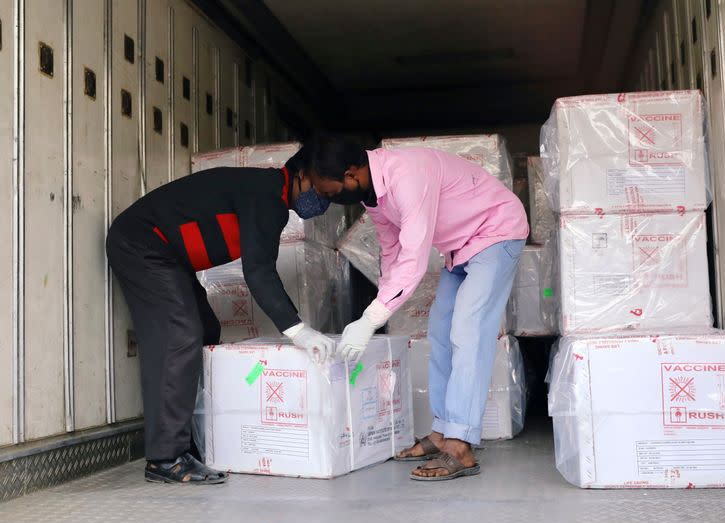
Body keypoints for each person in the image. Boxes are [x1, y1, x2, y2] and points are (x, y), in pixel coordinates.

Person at [303, 135, 529, 481]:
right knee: (440, 330)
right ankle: (443, 431)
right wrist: (377, 310)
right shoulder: (373, 197)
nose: (330, 199)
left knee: (469, 331)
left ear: (351, 174)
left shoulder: (406, 175)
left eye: (331, 192)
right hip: (461, 246)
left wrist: (371, 318)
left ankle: (461, 444)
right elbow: (392, 253)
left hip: (496, 231)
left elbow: (413, 260)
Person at [106, 148, 335, 484]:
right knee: (181, 334)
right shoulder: (266, 195)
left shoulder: (270, 196)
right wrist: (298, 331)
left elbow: (261, 270)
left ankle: (192, 439)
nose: (323, 200)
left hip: (166, 253)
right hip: (141, 242)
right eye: (322, 190)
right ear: (302, 174)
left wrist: (297, 327)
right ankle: (166, 458)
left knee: (206, 330)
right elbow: (259, 272)